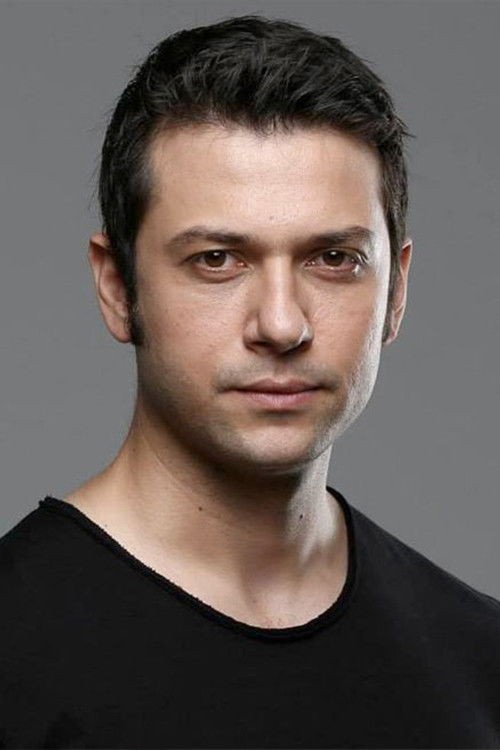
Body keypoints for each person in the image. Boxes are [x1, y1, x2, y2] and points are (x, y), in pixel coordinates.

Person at [1, 14, 499, 749]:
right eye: (216, 260)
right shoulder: (15, 648)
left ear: (396, 292)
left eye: (333, 259)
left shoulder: (478, 658)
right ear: (117, 287)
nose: (281, 323)